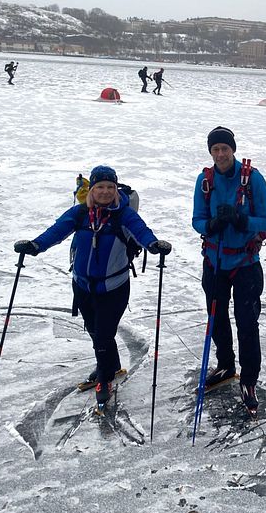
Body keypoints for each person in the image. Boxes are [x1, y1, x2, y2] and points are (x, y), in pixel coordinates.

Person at [14, 165, 172, 406]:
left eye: (110, 187)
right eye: (100, 187)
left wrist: (153, 245)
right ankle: (112, 364)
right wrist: (35, 246)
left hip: (114, 288)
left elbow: (142, 232)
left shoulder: (124, 215)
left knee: (103, 335)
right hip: (83, 286)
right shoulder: (80, 213)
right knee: (95, 331)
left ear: (116, 189)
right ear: (92, 189)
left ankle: (105, 377)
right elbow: (57, 231)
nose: (105, 192)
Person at [192, 126, 266, 414]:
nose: (221, 154)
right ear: (210, 152)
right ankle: (226, 365)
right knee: (216, 318)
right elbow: (197, 220)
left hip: (245, 264)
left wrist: (241, 219)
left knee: (247, 322)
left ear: (233, 150)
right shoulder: (205, 180)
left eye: (225, 148)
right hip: (214, 262)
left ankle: (249, 379)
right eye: (215, 149)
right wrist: (210, 226)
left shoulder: (253, 179)